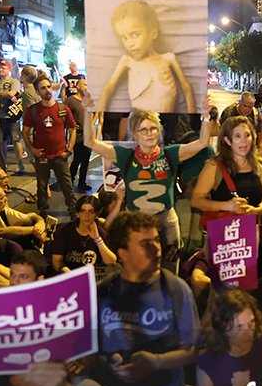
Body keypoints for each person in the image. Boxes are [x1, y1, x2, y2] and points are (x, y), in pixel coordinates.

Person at [90, 211, 199, 386]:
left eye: (157, 240)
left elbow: (194, 349)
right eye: (145, 244)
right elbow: (93, 348)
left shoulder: (176, 290)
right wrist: (108, 361)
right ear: (123, 253)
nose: (157, 249)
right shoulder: (102, 293)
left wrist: (156, 363)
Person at [83, 107, 211, 271]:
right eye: (143, 130)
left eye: (153, 128)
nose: (149, 133)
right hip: (135, 221)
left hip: (166, 220)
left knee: (170, 265)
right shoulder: (125, 156)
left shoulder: (170, 154)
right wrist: (87, 111)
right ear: (134, 134)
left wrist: (205, 118)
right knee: (136, 267)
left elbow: (202, 143)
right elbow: (90, 141)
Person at [95, 0, 193, 118]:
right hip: (139, 122)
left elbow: (186, 87)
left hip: (168, 120)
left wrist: (192, 115)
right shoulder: (127, 61)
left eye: (135, 35)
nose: (129, 43)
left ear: (153, 34)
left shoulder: (168, 59)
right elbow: (109, 87)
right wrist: (100, 112)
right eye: (124, 38)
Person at [191, 115, 262, 227]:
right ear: (227, 140)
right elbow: (196, 200)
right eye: (237, 136)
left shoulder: (257, 167)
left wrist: (254, 211)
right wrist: (227, 206)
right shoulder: (214, 166)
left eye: (247, 135)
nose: (244, 141)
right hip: (222, 234)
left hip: (250, 233)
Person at [22, 71, 77, 217]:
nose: (47, 90)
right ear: (37, 91)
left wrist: (69, 150)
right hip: (42, 157)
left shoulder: (63, 109)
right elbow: (25, 132)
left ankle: (73, 211)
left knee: (67, 186)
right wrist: (32, 149)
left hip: (60, 155)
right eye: (43, 88)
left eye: (48, 87)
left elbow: (72, 129)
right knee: (41, 186)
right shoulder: (33, 111)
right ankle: (43, 212)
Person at [50, 195, 117, 275]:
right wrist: (71, 275)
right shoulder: (64, 231)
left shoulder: (101, 232)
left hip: (94, 276)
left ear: (96, 214)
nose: (86, 216)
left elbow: (111, 262)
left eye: (91, 212)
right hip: (69, 275)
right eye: (83, 211)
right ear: (77, 214)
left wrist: (98, 240)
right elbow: (57, 263)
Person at [0, 59, 26, 174]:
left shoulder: (14, 81)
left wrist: (0, 94)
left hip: (12, 115)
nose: (1, 70)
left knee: (15, 139)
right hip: (0, 115)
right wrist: (5, 94)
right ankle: (3, 164)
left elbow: (12, 93)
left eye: (3, 68)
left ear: (9, 69)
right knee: (1, 141)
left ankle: (20, 164)